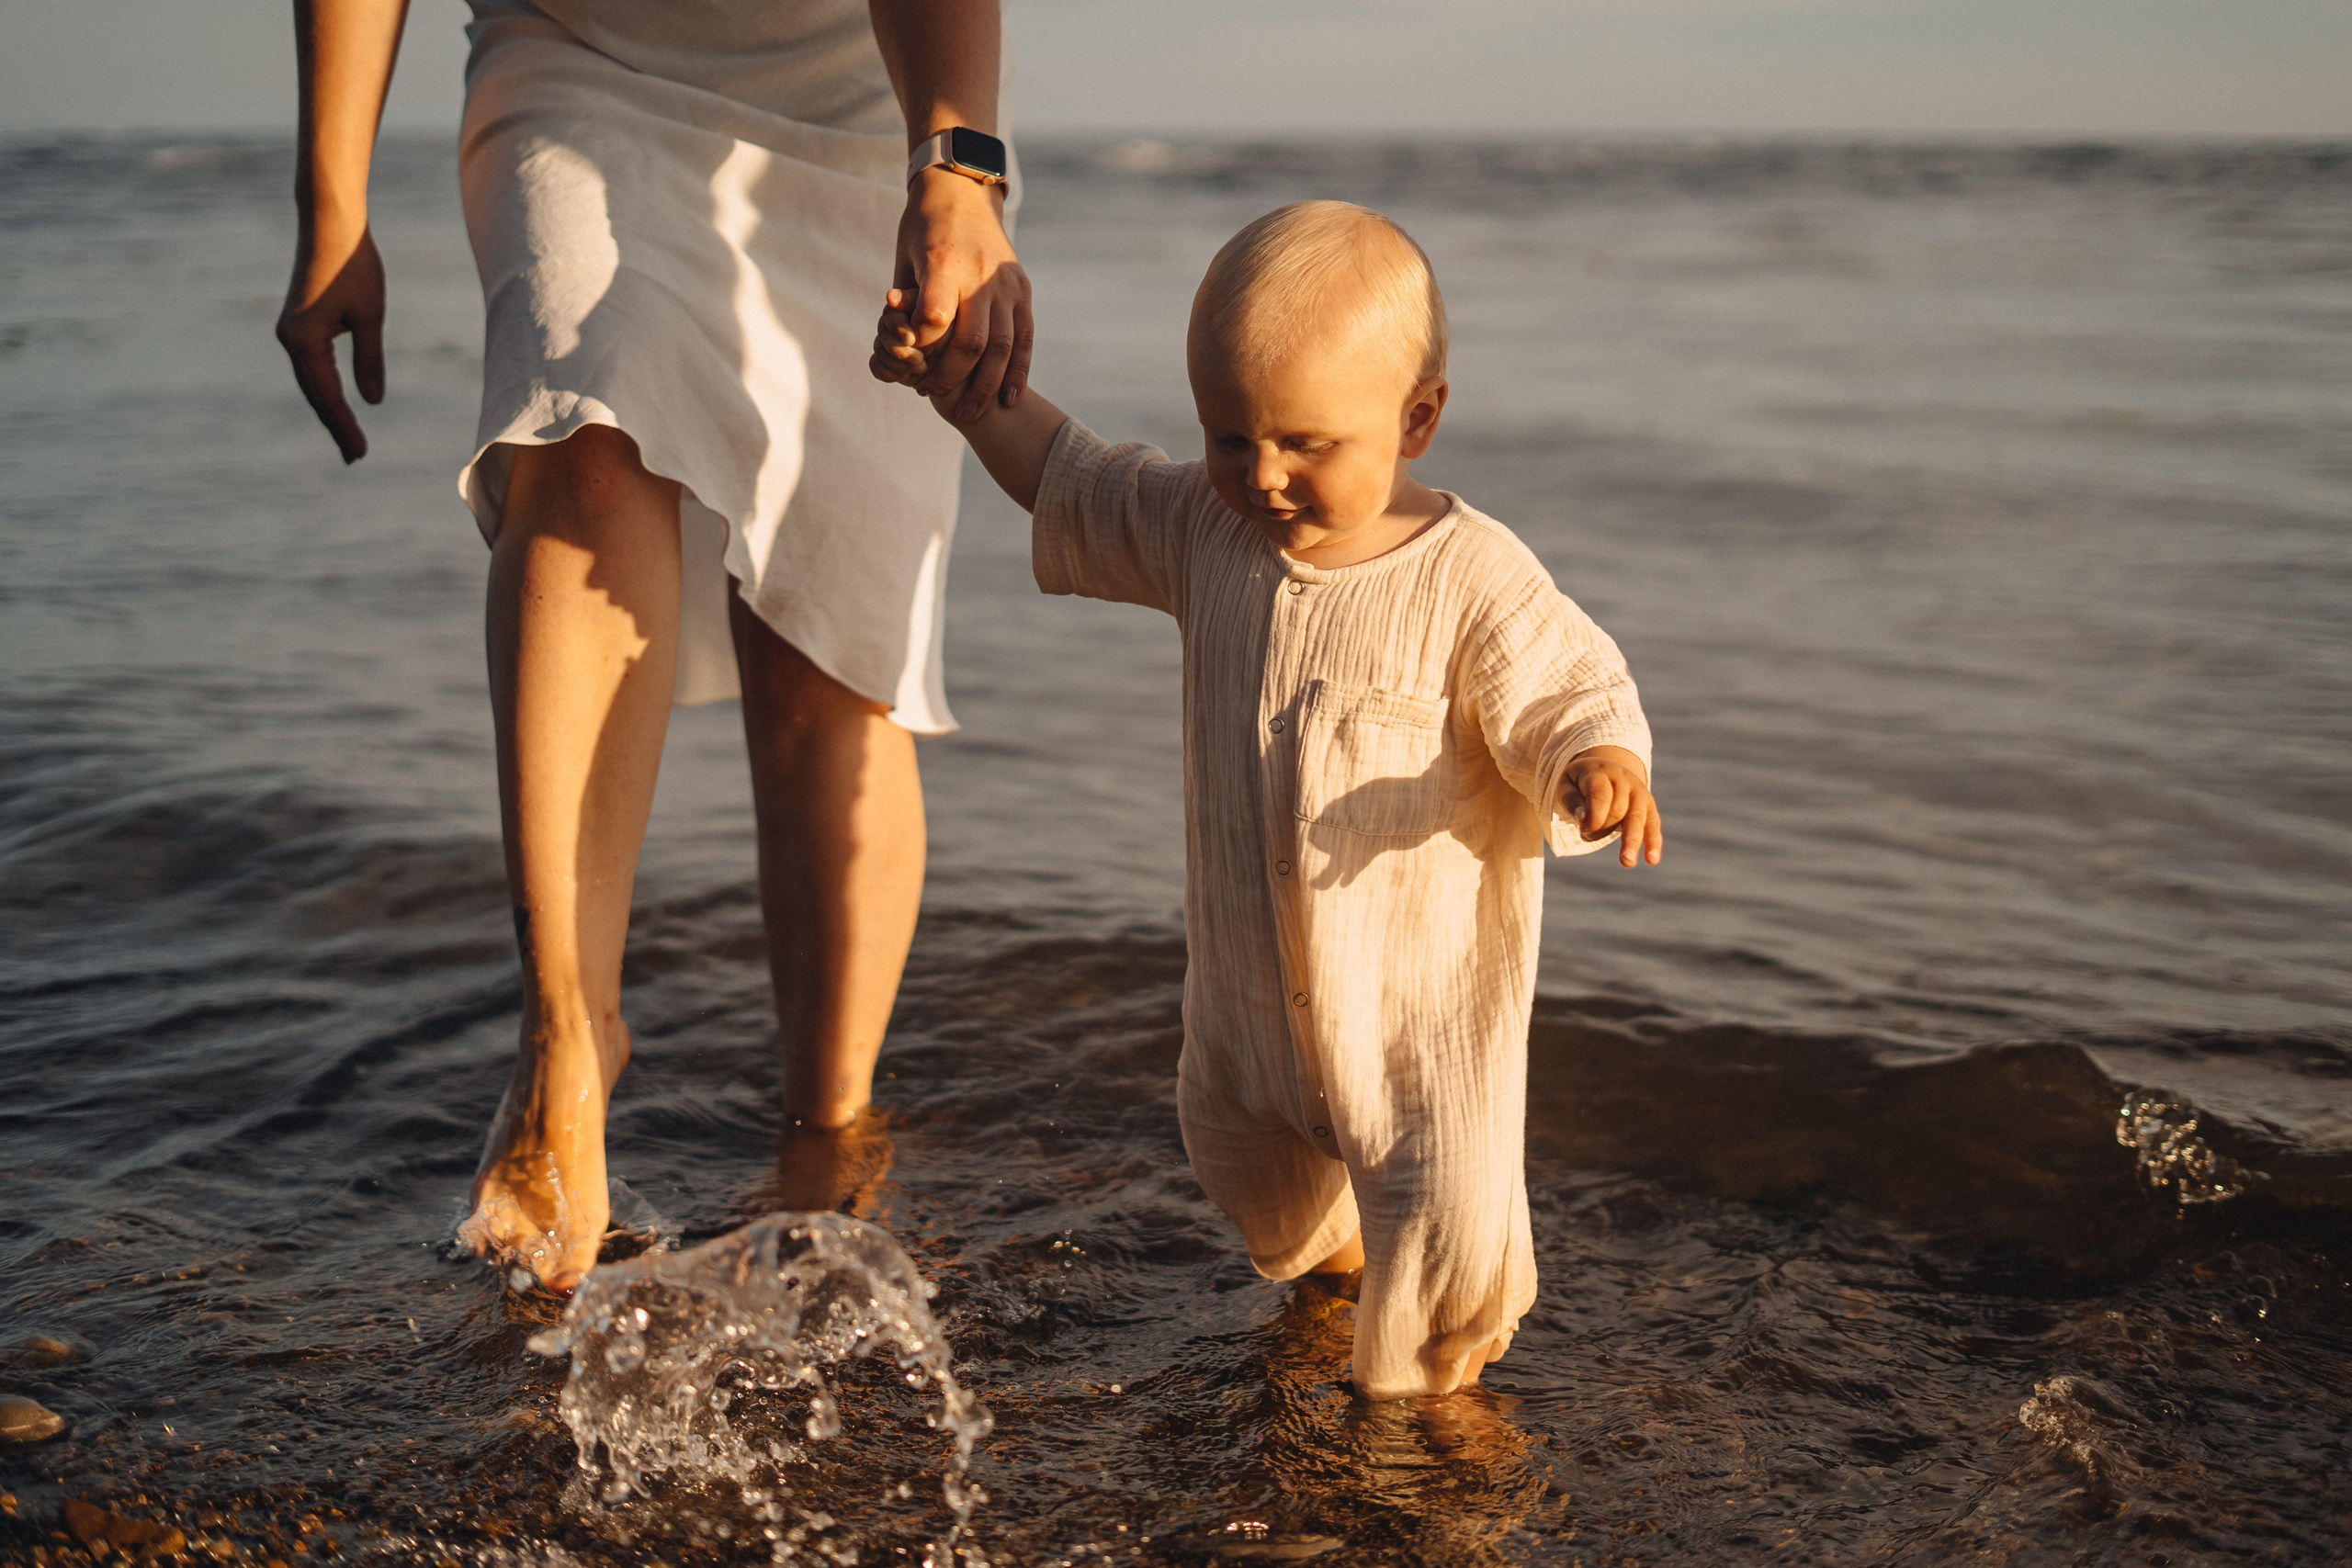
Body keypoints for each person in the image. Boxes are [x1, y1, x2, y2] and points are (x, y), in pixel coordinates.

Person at [275, 0, 1030, 1292]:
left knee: (825, 626)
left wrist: (954, 165)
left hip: (864, 105)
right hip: (577, 56)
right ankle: (567, 1032)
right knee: (583, 418)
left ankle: (825, 1147)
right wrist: (331, 198)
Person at [872, 200, 1664, 1399]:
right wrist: (966, 393)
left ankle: (1440, 1440)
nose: (1265, 475)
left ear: (1418, 419)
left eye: (1305, 444)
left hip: (1412, 1044)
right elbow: (1072, 479)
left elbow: (1570, 683)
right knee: (1269, 1194)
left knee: (1441, 1277)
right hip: (1247, 1020)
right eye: (1229, 439)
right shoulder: (1206, 525)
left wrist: (1598, 761)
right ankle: (1333, 1303)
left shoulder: (1470, 577)